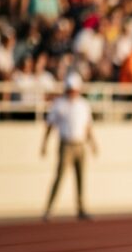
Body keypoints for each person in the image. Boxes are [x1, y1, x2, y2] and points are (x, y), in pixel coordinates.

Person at [41, 72, 97, 221]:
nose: (72, 92)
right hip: (65, 144)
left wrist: (93, 144)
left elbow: (88, 127)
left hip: (80, 144)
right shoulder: (59, 104)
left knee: (80, 178)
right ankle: (49, 209)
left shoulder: (83, 104)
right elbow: (50, 125)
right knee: (59, 177)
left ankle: (81, 209)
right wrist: (44, 144)